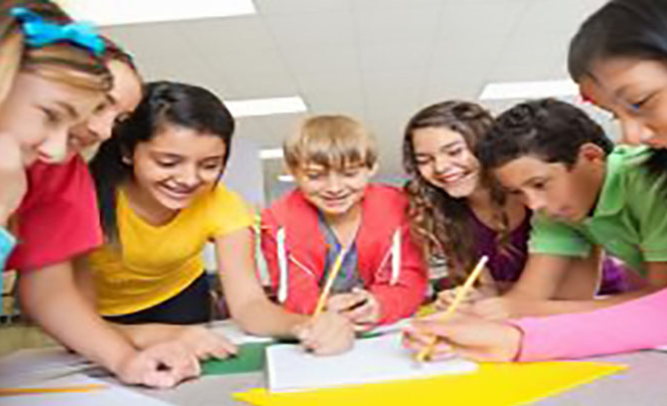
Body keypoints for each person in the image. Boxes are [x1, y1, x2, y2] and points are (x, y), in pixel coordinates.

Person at [403, 0, 667, 362]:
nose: (631, 136)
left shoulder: (652, 178)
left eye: (642, 103)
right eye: (618, 114)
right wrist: (513, 339)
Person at [1, 1, 195, 387]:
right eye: (100, 106)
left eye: (119, 119)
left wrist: (125, 360)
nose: (105, 131)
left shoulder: (57, 168)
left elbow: (49, 290)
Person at [84, 82, 354, 356]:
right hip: (94, 315)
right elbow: (69, 319)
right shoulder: (85, 201)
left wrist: (305, 326)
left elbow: (249, 304)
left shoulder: (224, 206)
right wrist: (156, 335)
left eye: (210, 165)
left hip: (181, 303)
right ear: (128, 152)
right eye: (168, 163)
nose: (189, 179)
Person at [403, 100, 626, 312]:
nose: (440, 167)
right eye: (424, 160)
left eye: (454, 152)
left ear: (486, 148)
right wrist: (474, 297)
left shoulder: (547, 199)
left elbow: (569, 296)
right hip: (521, 312)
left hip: (600, 303)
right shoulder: (448, 217)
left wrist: (497, 296)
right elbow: (490, 289)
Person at [261, 115, 427, 331]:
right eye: (315, 176)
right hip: (318, 328)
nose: (334, 188)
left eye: (350, 174)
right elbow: (291, 290)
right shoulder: (278, 221)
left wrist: (379, 306)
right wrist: (321, 309)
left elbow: (409, 280)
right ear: (293, 172)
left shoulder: (399, 208)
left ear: (372, 168)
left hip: (385, 330)